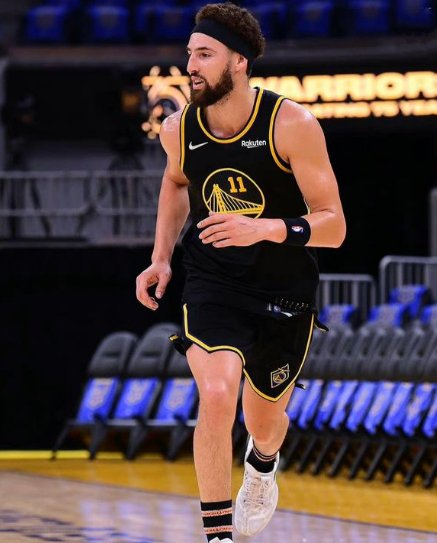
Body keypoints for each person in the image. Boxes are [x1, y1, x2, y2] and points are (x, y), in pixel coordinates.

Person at [136, 3, 346, 542]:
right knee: (215, 393)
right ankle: (218, 535)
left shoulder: (291, 124)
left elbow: (334, 226)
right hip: (214, 281)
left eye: (205, 54)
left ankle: (263, 461)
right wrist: (161, 257)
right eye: (190, 53)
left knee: (265, 423)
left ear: (239, 61)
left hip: (283, 288)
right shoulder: (179, 129)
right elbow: (176, 183)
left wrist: (264, 229)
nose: (191, 65)